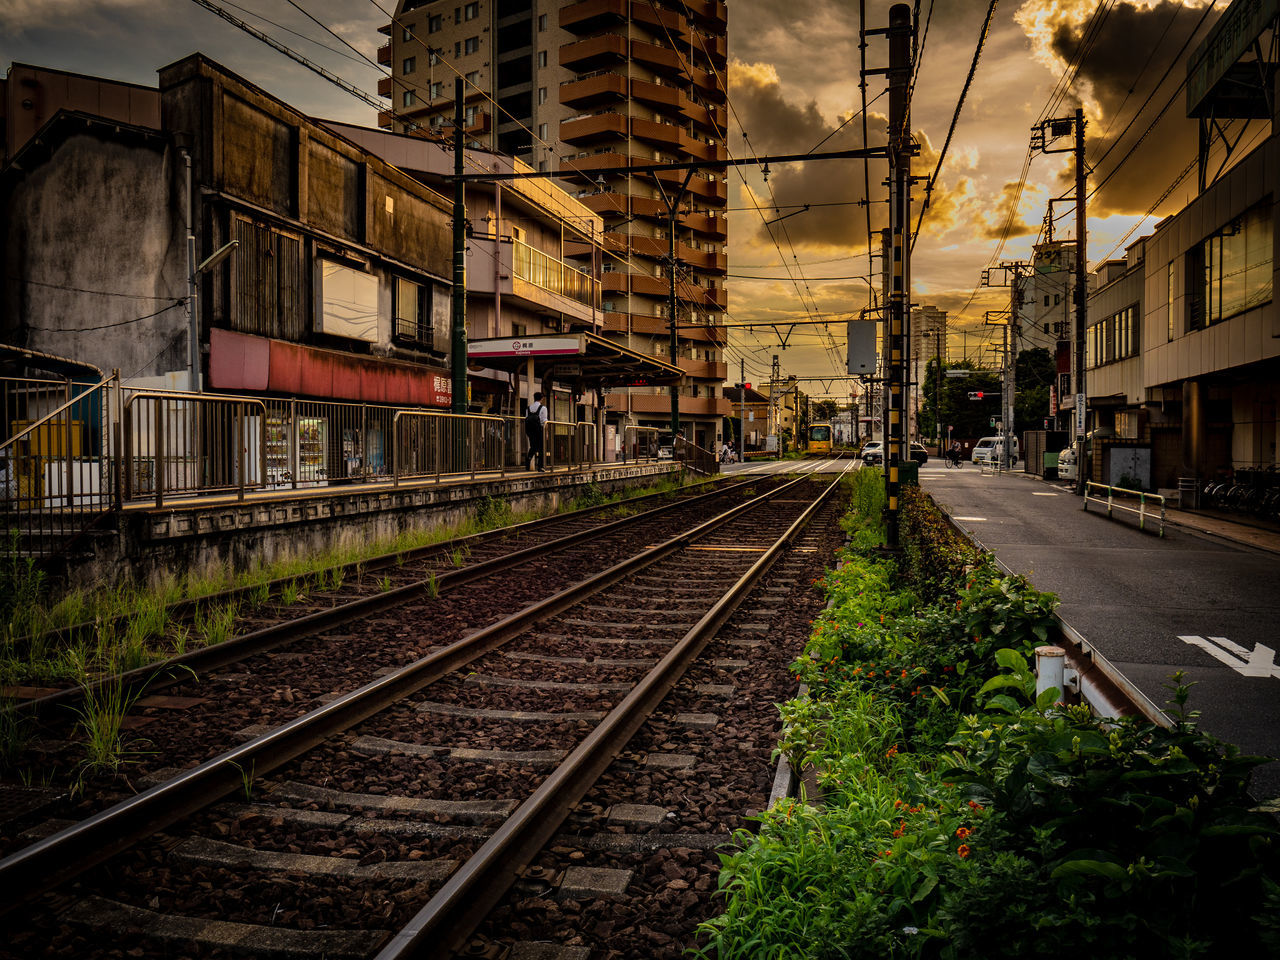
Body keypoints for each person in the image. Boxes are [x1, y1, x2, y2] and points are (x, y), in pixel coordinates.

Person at [525, 391, 548, 471]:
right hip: (539, 429)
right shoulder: (543, 408)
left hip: (530, 430)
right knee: (541, 448)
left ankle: (528, 458)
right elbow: (544, 421)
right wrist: (546, 433)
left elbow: (526, 419)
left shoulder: (528, 408)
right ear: (542, 398)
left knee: (533, 446)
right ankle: (540, 466)